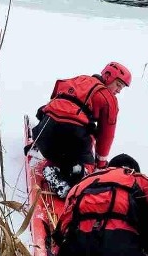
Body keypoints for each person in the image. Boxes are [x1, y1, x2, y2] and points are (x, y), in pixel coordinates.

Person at [30, 62, 131, 198]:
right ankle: (68, 178)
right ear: (107, 76)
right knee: (87, 176)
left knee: (68, 148)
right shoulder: (109, 98)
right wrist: (100, 165)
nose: (119, 90)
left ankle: (54, 166)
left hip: (43, 134)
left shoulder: (77, 80)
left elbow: (54, 102)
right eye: (118, 84)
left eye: (122, 88)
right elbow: (107, 135)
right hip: (72, 135)